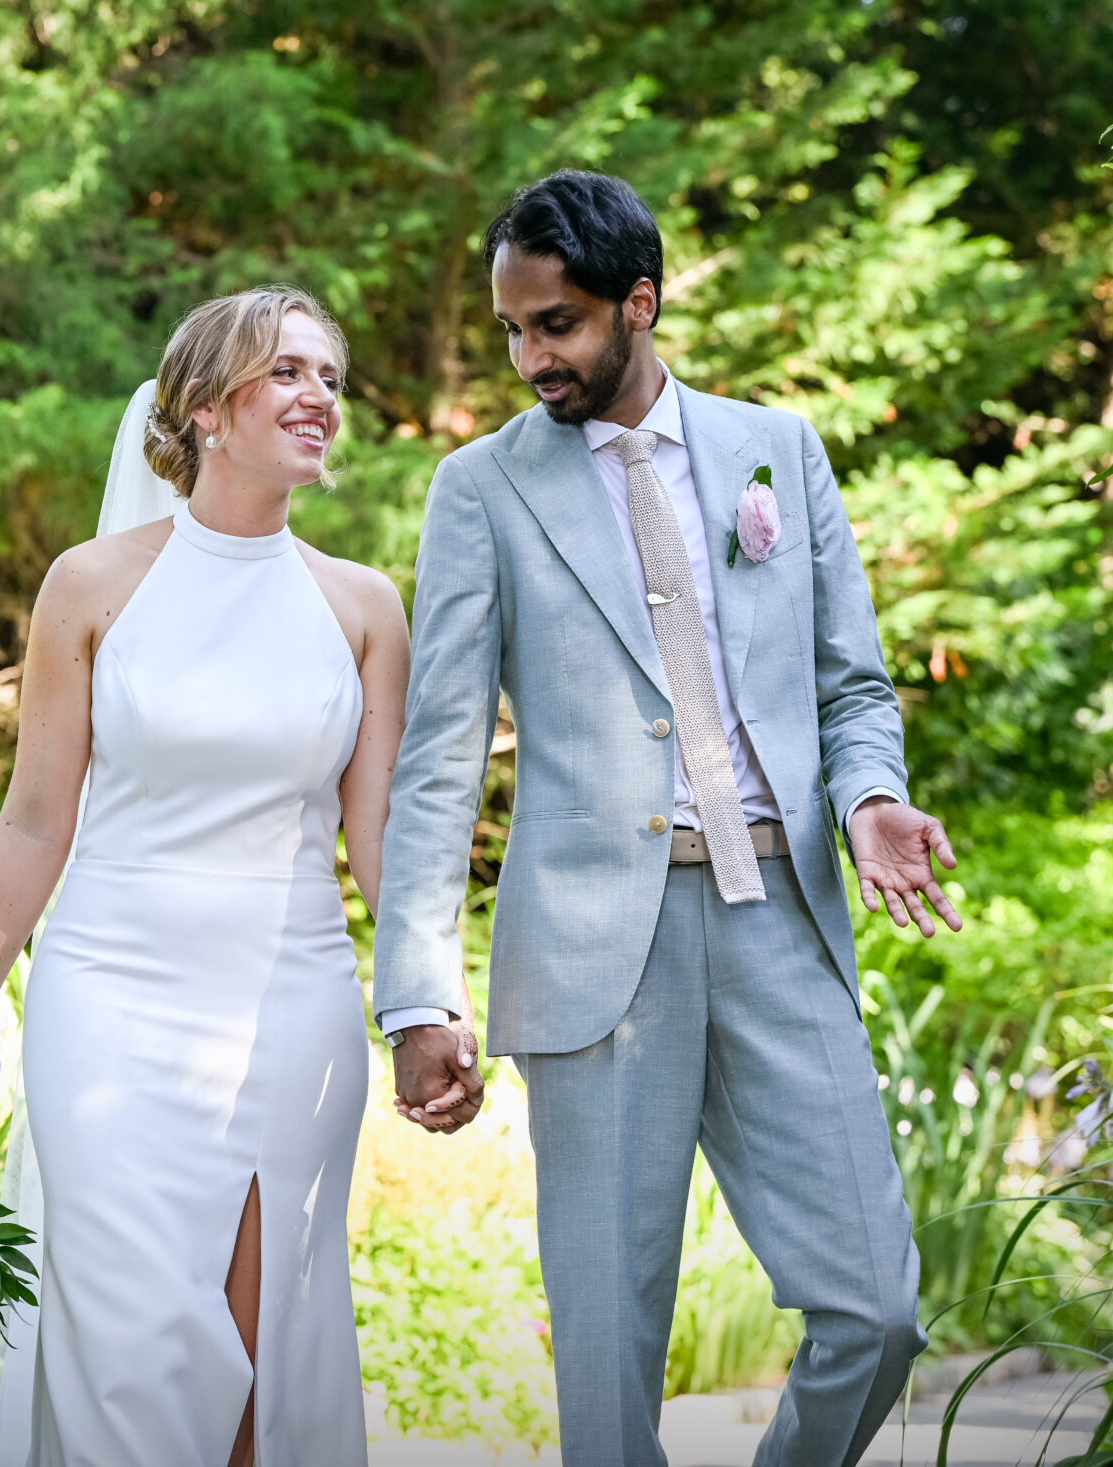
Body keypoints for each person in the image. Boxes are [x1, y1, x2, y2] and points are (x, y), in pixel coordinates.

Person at [373, 171, 965, 1467]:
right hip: (592, 951)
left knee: (876, 1310)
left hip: (780, 919)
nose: (532, 357)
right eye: (513, 329)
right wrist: (416, 993)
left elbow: (852, 685)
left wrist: (869, 796)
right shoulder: (481, 488)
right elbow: (440, 756)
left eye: (559, 324)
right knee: (607, 1361)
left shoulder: (776, 452)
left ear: (638, 303)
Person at [0, 287, 446, 1467]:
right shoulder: (90, 584)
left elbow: (380, 840)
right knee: (127, 1350)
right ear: (204, 406)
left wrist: (425, 1007)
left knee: (262, 1353)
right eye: (286, 372)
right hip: (108, 1001)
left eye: (330, 377)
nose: (318, 397)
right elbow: (33, 824)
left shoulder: (362, 607)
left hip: (290, 1007)